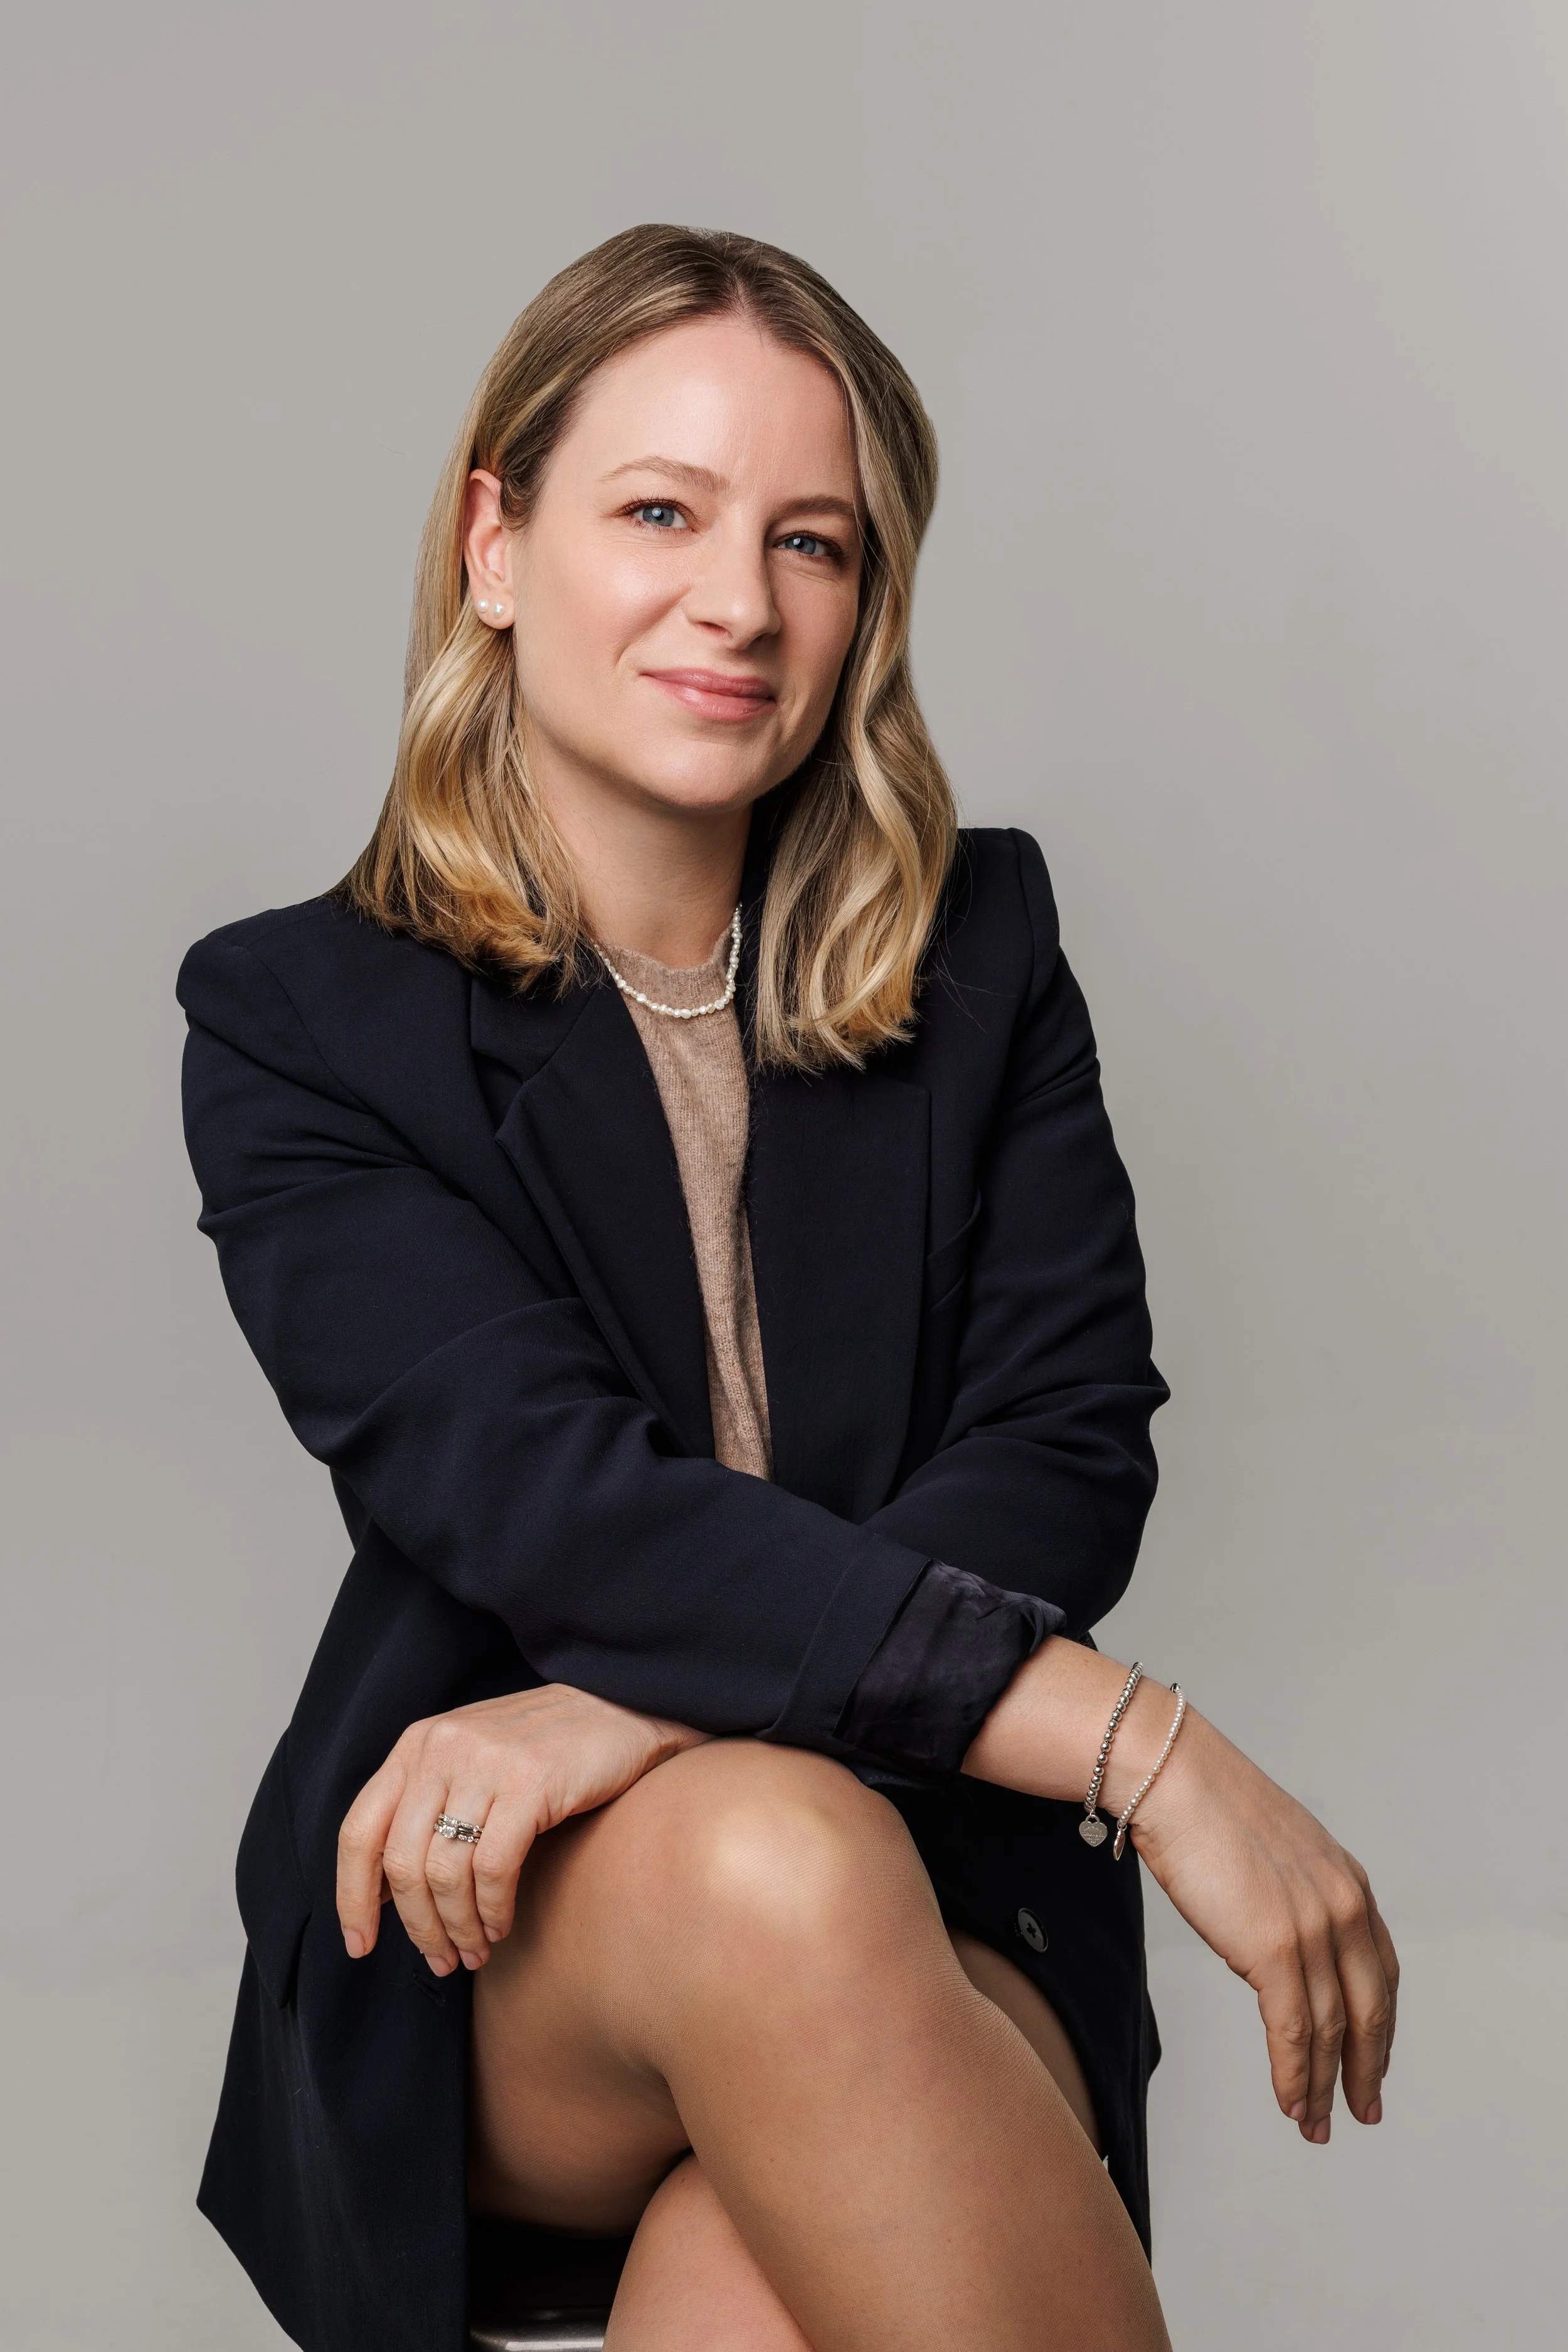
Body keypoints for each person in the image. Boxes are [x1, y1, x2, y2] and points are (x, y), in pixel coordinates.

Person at [177, 225, 1397, 2352]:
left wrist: (629, 1704)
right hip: (504, 1924)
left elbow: (1058, 1453)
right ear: (494, 539)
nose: (739, 603)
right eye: (660, 511)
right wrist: (1150, 1749)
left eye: (810, 541)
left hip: (941, 1861)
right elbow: (563, 1511)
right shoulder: (302, 1021)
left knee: (757, 2273)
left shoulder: (979, 950)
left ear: (866, 600)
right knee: (770, 1849)